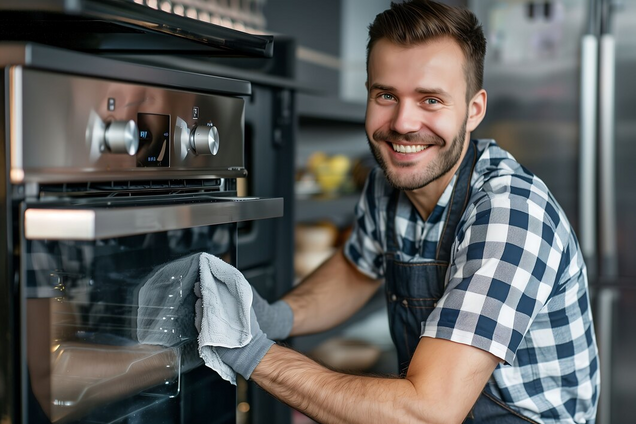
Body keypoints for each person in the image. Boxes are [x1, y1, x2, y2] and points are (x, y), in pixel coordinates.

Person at [215, 1, 600, 423]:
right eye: (386, 95)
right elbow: (355, 269)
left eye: (430, 99)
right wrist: (275, 317)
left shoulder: (510, 214)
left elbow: (427, 412)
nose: (402, 123)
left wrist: (251, 351)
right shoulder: (390, 181)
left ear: (474, 110)